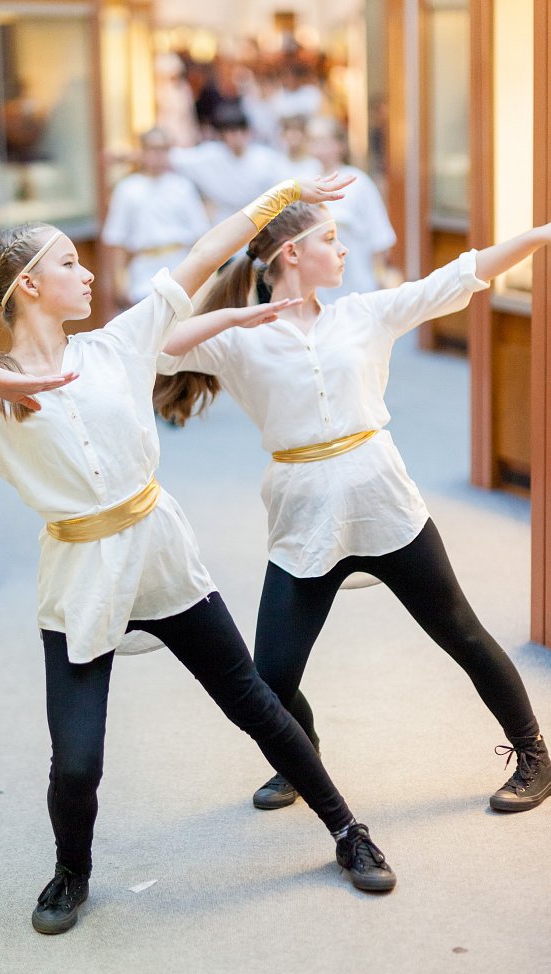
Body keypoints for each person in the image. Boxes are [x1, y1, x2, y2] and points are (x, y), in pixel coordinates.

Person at [0, 172, 401, 939]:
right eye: (71, 263)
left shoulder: (117, 344)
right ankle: (73, 871)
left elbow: (204, 253)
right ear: (30, 285)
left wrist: (276, 201)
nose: (89, 272)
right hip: (78, 573)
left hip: (160, 551)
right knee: (75, 762)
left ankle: (345, 827)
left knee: (253, 703)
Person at [154, 201, 551, 819]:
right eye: (331, 239)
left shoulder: (364, 313)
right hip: (302, 516)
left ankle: (534, 755)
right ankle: (298, 751)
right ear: (292, 254)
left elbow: (462, 275)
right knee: (270, 679)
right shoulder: (236, 341)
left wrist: (541, 234)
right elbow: (155, 346)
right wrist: (230, 315)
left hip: (382, 501)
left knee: (462, 633)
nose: (343, 251)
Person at [101, 127, 209, 306]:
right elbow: (117, 239)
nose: (159, 155)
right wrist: (120, 280)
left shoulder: (183, 187)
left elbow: (200, 235)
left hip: (180, 268)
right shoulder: (127, 189)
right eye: (153, 149)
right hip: (144, 273)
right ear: (142, 152)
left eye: (164, 149)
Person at [307, 116, 396, 299]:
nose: (319, 148)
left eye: (324, 141)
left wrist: (379, 277)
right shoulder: (306, 181)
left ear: (340, 144)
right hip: (319, 285)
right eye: (314, 141)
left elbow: (379, 234)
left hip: (358, 278)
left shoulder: (358, 182)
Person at [169, 105, 289, 225]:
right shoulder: (210, 155)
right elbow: (176, 158)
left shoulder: (266, 158)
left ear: (248, 132)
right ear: (223, 134)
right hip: (225, 220)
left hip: (261, 220)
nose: (237, 136)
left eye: (241, 131)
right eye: (231, 132)